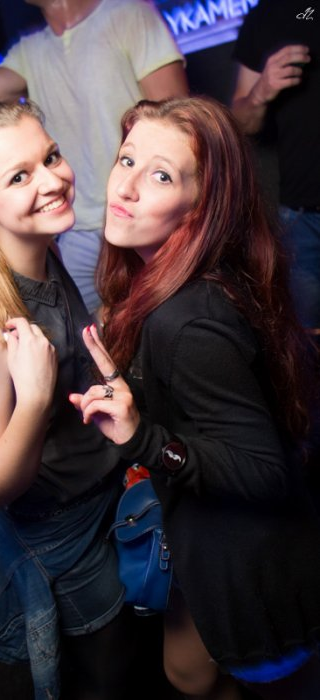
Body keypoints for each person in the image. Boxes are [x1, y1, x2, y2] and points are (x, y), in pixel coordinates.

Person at [69, 97, 320, 700]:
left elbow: (262, 471)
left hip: (253, 573)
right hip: (211, 546)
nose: (126, 187)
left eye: (161, 176)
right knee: (186, 671)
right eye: (127, 160)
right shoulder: (176, 278)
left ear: (200, 206)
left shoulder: (186, 321)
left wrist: (144, 438)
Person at [0, 98, 136, 700]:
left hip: (105, 495)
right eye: (19, 176)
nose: (52, 180)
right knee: (108, 678)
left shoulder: (43, 252)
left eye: (50, 157)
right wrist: (33, 400)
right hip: (61, 534)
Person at [0, 0, 188, 313]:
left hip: (142, 216)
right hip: (77, 229)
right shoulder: (30, 48)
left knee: (165, 325)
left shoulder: (129, 14)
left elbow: (181, 132)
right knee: (81, 335)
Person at [230, 0, 320, 335]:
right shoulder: (267, 16)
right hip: (300, 216)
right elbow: (241, 123)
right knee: (306, 341)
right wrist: (260, 92)